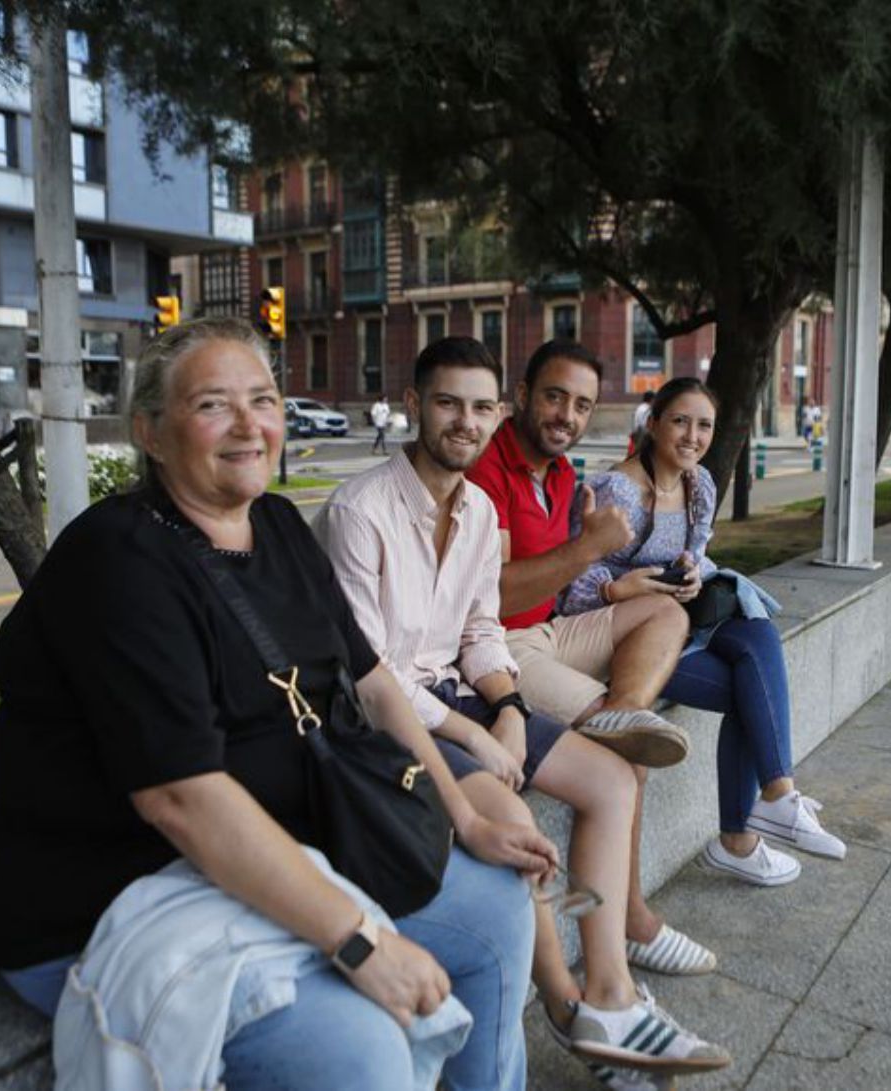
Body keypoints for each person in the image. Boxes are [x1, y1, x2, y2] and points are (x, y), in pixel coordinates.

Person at [0, 317, 558, 1091]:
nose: (250, 425)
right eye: (214, 405)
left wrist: (466, 815)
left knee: (496, 908)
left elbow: (376, 683)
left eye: (264, 399)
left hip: (292, 845)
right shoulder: (118, 561)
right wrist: (360, 942)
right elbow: (182, 796)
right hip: (125, 898)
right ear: (150, 433)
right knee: (363, 1051)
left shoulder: (278, 527)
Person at [317, 337, 729, 1081]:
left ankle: (611, 990)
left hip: (469, 691)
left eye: (479, 407)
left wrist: (506, 703)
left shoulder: (475, 508)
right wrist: (478, 725)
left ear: (495, 410)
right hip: (393, 718)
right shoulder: (360, 511)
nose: (464, 422)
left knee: (611, 778)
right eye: (447, 403)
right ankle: (568, 1007)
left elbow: (480, 629)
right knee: (513, 821)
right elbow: (369, 672)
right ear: (413, 406)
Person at [468, 339, 718, 981]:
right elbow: (493, 598)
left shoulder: (559, 474)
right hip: (497, 648)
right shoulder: (487, 472)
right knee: (626, 766)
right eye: (555, 397)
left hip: (552, 631)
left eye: (581, 405)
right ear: (521, 397)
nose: (567, 416)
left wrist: (615, 581)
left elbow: (565, 589)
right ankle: (630, 926)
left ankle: (626, 711)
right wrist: (591, 551)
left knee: (668, 611)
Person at [561, 377, 848, 886]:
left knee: (759, 635)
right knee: (749, 687)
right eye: (679, 421)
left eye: (704, 425)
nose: (693, 435)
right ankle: (742, 836)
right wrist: (620, 588)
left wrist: (694, 570)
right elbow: (569, 586)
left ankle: (776, 797)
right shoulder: (618, 491)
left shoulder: (699, 485)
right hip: (625, 643)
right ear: (653, 425)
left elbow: (695, 551)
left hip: (681, 624)